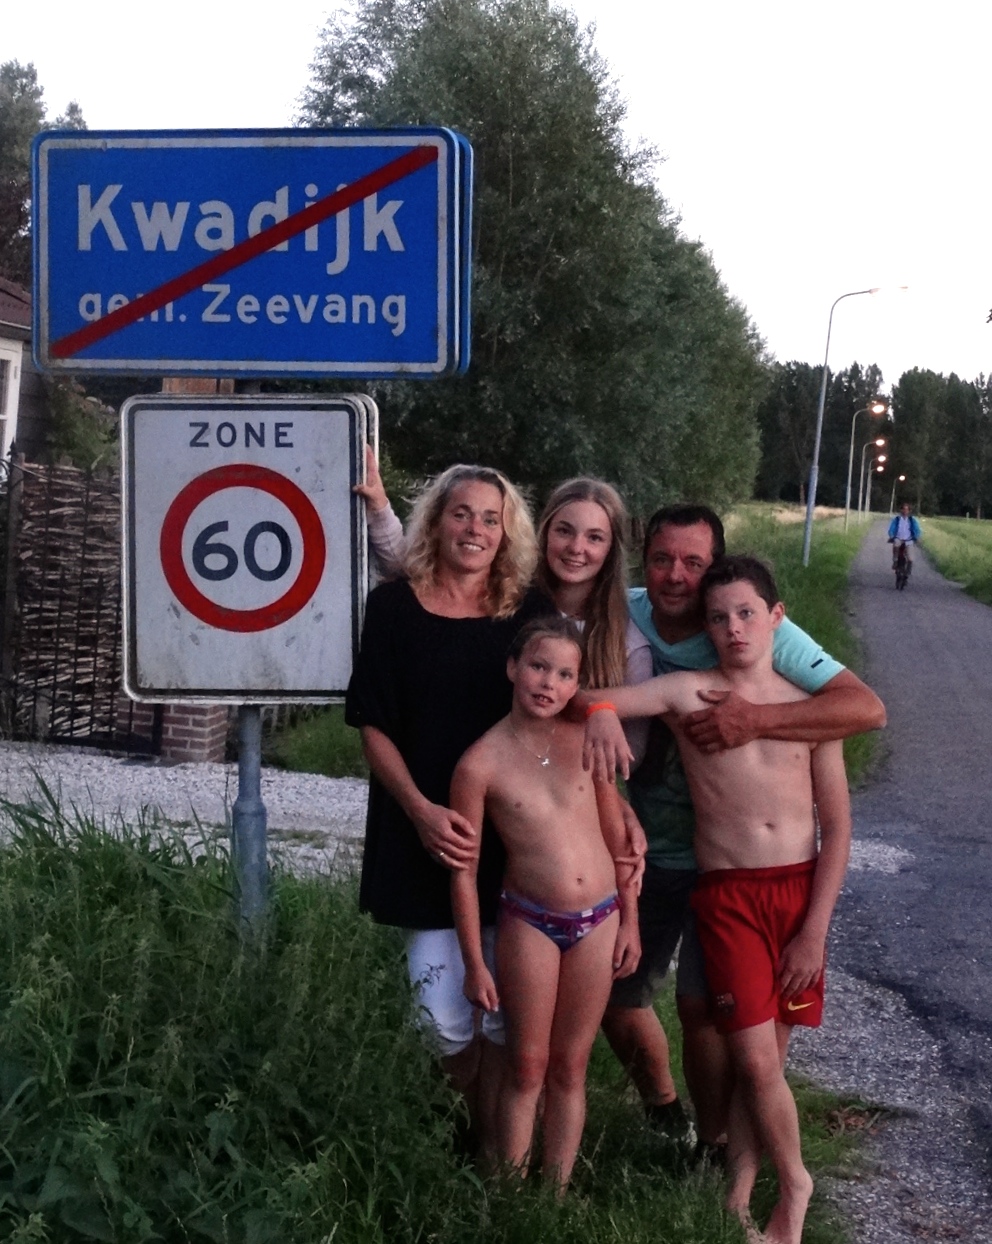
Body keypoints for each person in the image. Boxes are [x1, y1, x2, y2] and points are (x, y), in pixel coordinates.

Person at [583, 505, 884, 1162]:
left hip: (738, 866)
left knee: (711, 1013)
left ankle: (719, 1149)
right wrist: (600, 709)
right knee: (620, 995)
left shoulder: (755, 625)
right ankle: (668, 1112)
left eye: (694, 562)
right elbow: (558, 673)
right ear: (643, 558)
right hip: (650, 847)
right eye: (662, 559)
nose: (676, 575)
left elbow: (865, 708)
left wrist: (754, 721)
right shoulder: (622, 612)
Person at [345, 462, 544, 1152]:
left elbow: (564, 702)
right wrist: (421, 811)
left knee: (506, 1017)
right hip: (423, 835)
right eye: (462, 513)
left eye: (491, 518)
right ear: (437, 520)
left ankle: (492, 1159)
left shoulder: (527, 614)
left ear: (507, 532)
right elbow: (372, 723)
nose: (475, 529)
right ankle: (456, 1132)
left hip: (513, 840)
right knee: (441, 1022)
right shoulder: (394, 608)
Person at [449, 617, 641, 1189]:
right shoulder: (479, 763)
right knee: (527, 1065)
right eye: (538, 667)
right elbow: (463, 872)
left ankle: (553, 1198)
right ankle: (509, 1196)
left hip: (599, 918)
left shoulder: (585, 738)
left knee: (571, 1066)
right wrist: (474, 963)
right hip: (530, 920)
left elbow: (617, 838)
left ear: (576, 685)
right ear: (513, 668)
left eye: (564, 675)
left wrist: (630, 919)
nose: (548, 683)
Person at [887, 502, 922, 568]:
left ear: (909, 511)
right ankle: (895, 560)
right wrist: (891, 535)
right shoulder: (897, 519)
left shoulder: (912, 520)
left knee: (910, 558)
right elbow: (892, 528)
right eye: (903, 509)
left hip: (909, 540)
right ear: (901, 510)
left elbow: (917, 529)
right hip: (898, 538)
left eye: (907, 509)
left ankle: (908, 569)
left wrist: (917, 537)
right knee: (896, 546)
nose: (905, 511)